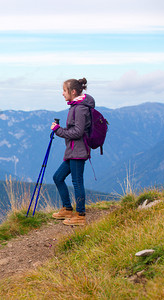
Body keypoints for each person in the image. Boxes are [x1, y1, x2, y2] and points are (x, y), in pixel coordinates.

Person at [50, 78, 94, 226]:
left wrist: (58, 130)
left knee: (77, 181)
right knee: (58, 177)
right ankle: (67, 208)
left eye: (64, 90)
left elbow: (77, 132)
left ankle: (80, 215)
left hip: (78, 151)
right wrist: (60, 130)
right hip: (73, 151)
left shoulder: (80, 108)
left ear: (73, 91)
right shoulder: (75, 106)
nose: (62, 93)